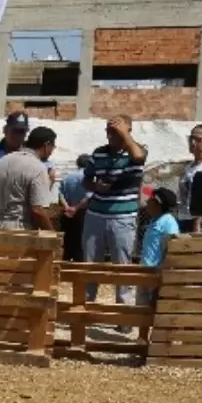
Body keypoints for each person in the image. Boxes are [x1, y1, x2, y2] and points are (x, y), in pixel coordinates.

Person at [82, 115, 148, 307]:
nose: (111, 135)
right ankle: (86, 307)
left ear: (128, 132)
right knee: (90, 265)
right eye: (109, 131)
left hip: (123, 216)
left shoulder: (136, 151)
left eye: (116, 131)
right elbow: (86, 179)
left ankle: (124, 315)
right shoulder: (99, 153)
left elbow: (138, 157)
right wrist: (95, 188)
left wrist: (124, 135)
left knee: (122, 266)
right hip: (95, 214)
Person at [0, 126, 58, 230]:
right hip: (20, 231)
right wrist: (52, 235)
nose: (51, 151)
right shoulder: (38, 167)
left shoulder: (2, 161)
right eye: (53, 147)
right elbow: (37, 210)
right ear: (47, 145)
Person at [138, 187, 180, 307]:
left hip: (157, 273)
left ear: (159, 204)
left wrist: (162, 274)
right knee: (142, 309)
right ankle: (142, 326)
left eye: (150, 199)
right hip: (145, 270)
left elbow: (171, 249)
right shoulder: (154, 220)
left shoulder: (168, 222)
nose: (147, 202)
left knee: (156, 308)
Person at [178, 124, 202, 234]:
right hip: (185, 218)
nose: (193, 143)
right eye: (191, 138)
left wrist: (197, 223)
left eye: (198, 139)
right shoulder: (188, 167)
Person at [58, 154, 92, 262]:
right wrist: (76, 208)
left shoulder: (68, 176)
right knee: (81, 245)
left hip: (67, 214)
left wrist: (67, 207)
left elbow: (60, 194)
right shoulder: (88, 178)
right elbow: (88, 196)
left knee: (67, 243)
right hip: (83, 214)